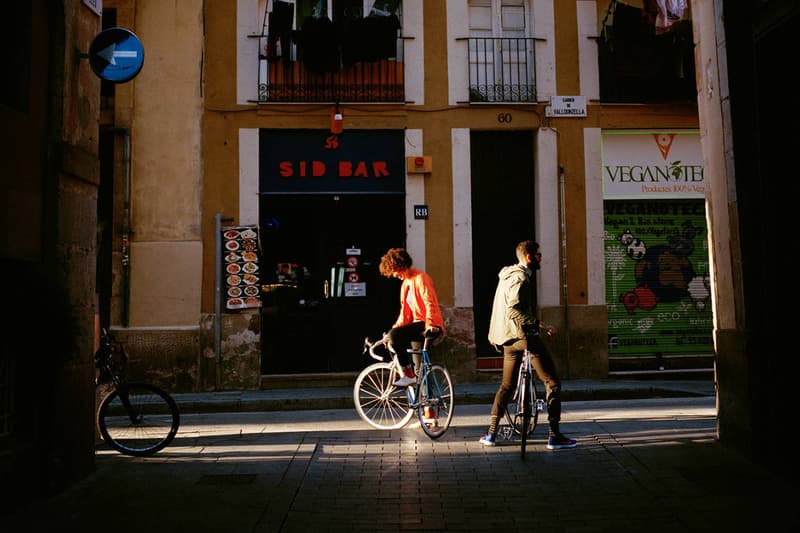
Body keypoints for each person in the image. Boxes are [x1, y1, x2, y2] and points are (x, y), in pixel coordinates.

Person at [479, 240, 577, 450]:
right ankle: (554, 435)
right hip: (523, 337)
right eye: (539, 255)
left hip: (506, 339)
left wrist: (492, 333)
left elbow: (498, 308)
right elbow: (512, 310)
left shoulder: (506, 276)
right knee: (552, 382)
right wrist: (541, 324)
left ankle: (491, 434)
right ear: (529, 256)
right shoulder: (521, 278)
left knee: (507, 385)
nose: (541, 259)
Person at [378, 247, 445, 387]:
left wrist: (431, 324)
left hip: (428, 325)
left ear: (401, 265)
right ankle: (421, 406)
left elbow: (430, 302)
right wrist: (392, 331)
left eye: (394, 271)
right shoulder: (406, 284)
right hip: (417, 326)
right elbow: (405, 314)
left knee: (419, 370)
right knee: (419, 370)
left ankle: (408, 376)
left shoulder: (422, 278)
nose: (394, 275)